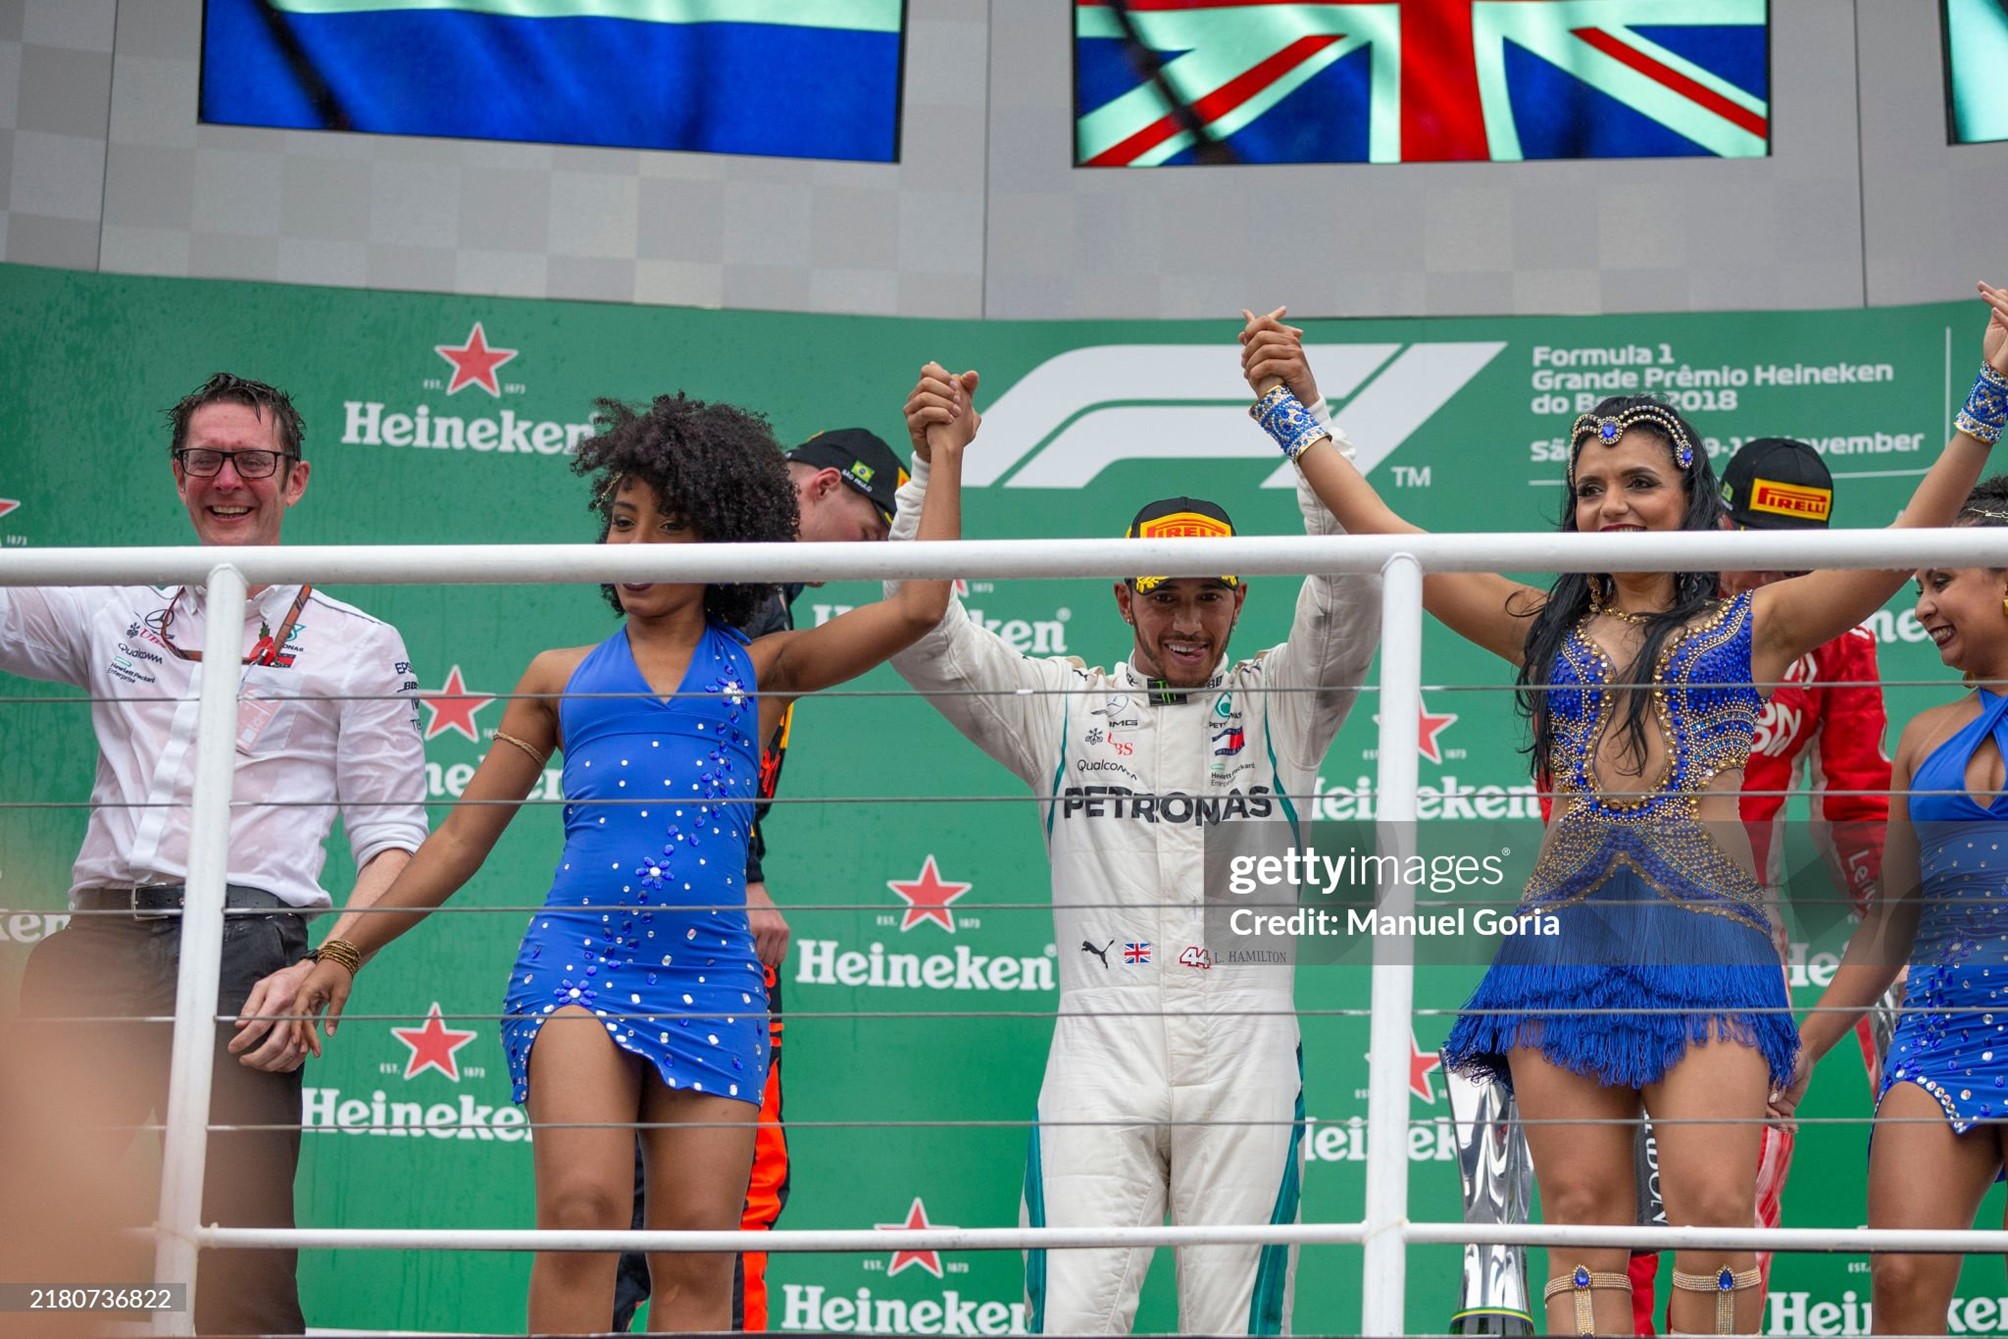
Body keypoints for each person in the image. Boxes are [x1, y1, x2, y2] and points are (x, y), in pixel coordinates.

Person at [1239, 285, 2008, 1335]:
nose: (1611, 504)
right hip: (1561, 949)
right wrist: (1294, 413)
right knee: (1584, 1223)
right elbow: (1387, 532)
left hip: (1709, 948)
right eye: (1590, 486)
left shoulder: (1758, 622)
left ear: (1691, 499)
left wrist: (1989, 393)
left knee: (1712, 1220)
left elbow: (1898, 541)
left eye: (1639, 482)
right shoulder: (1541, 628)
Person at [291, 390, 965, 1334]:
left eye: (673, 525)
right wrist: (344, 951)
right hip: (580, 968)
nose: (640, 545)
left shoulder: (765, 667)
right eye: (623, 520)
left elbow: (922, 604)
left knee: (696, 1258)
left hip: (714, 978)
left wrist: (946, 454)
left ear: (725, 539)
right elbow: (457, 839)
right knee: (581, 1218)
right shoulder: (554, 675)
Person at [892, 362, 1382, 1335]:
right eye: (1164, 597)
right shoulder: (1061, 708)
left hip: (1243, 1043)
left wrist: (1300, 419)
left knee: (1233, 1327)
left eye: (1211, 596)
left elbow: (1355, 579)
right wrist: (930, 468)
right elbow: (922, 634)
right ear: (1123, 597)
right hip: (1099, 1045)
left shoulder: (1288, 699)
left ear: (1241, 599)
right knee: (1072, 1319)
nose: (1189, 622)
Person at [4, 372, 428, 1336]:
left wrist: (328, 963)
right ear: (178, 474)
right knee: (24, 1225)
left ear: (298, 478)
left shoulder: (357, 645)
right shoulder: (117, 615)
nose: (227, 478)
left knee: (238, 1255)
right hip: (98, 944)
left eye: (251, 460)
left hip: (249, 953)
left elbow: (395, 838)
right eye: (206, 459)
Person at [612, 426, 909, 1333]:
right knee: (711, 1193)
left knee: (647, 1201)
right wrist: (740, 882)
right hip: (688, 926)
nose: (861, 566)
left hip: (666, 909)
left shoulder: (759, 589)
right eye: (865, 537)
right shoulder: (737, 579)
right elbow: (692, 748)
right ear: (821, 486)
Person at [1626, 437, 1897, 1331]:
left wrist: (1890, 956)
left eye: (1801, 551)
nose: (1778, 568)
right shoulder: (1637, 613)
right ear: (1714, 518)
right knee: (1610, 1207)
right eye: (1759, 538)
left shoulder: (1838, 637)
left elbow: (1856, 806)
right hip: (1613, 936)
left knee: (1741, 1196)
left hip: (1742, 950)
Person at [1775, 474, 2008, 1333]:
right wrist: (1807, 1042)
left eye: (1941, 579)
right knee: (1901, 1274)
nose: (1923, 606)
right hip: (1941, 1034)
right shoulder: (1922, 737)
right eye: (1915, 587)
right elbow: (1892, 917)